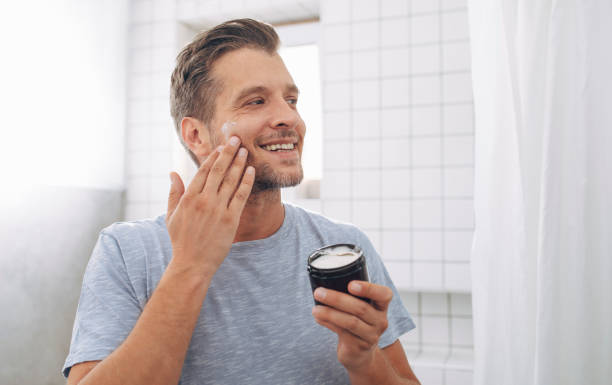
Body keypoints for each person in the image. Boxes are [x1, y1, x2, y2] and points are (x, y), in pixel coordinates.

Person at [63, 18, 420, 385]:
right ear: (197, 135)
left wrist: (363, 361)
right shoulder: (127, 251)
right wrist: (190, 266)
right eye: (256, 101)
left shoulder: (343, 249)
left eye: (291, 100)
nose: (289, 117)